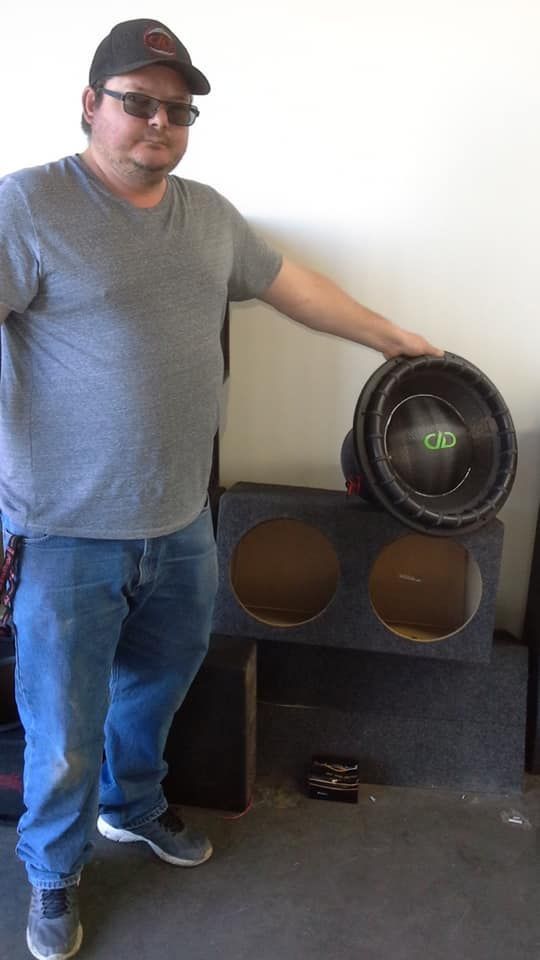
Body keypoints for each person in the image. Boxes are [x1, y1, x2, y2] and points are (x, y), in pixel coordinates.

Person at [0, 17, 443, 960]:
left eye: (178, 109)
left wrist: (391, 339)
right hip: (67, 532)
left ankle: (132, 807)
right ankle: (53, 871)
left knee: (158, 685)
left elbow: (292, 286)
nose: (159, 122)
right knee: (63, 728)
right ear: (90, 104)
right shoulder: (29, 205)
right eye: (138, 103)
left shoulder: (207, 214)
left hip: (181, 522)